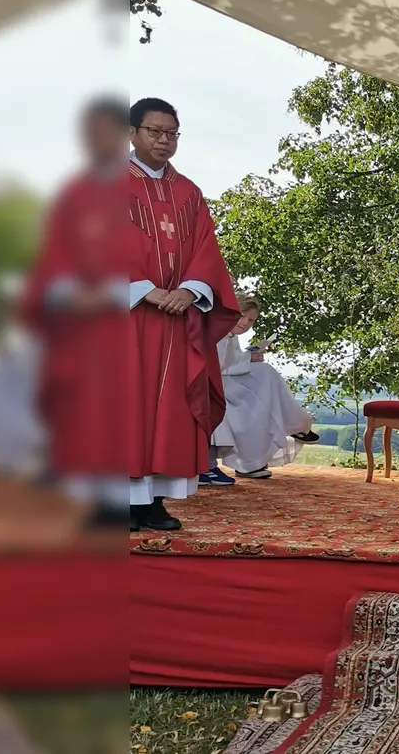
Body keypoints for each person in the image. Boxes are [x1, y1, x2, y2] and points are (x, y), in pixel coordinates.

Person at [15, 97, 136, 526]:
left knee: (123, 406)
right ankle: (89, 497)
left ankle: (122, 499)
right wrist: (68, 293)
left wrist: (117, 292)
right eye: (88, 132)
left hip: (132, 320)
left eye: (103, 130)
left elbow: (158, 254)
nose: (93, 140)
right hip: (79, 324)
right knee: (83, 405)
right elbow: (54, 253)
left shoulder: (142, 189)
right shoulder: (74, 193)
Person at [125, 97, 240, 531]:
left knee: (169, 409)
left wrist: (191, 291)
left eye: (172, 133)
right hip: (127, 320)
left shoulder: (188, 192)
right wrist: (144, 291)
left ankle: (152, 502)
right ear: (132, 132)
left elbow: (206, 251)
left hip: (178, 324)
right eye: (154, 131)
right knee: (127, 405)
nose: (164, 140)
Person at [209, 299, 320, 480]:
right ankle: (291, 425)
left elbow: (230, 359)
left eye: (251, 320)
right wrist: (247, 358)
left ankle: (291, 426)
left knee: (265, 377)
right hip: (215, 383)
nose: (245, 323)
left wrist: (248, 356)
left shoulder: (231, 335)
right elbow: (218, 365)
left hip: (228, 379)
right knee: (261, 391)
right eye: (242, 316)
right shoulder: (218, 331)